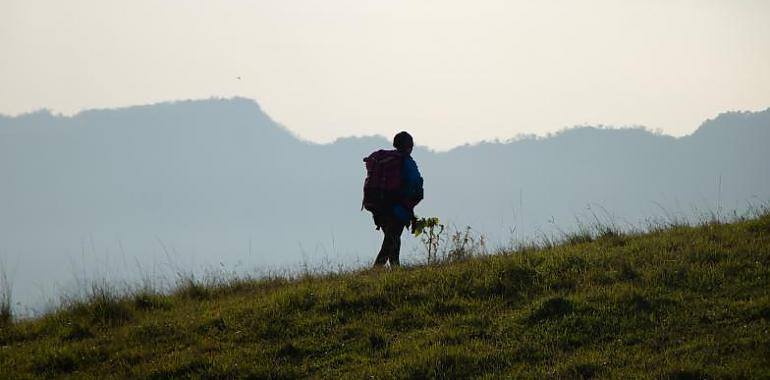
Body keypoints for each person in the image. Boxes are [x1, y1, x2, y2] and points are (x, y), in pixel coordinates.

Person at [373, 131, 423, 267]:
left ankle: (396, 269)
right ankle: (374, 273)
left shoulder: (386, 161)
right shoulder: (406, 162)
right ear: (410, 146)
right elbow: (417, 183)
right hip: (397, 209)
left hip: (379, 207)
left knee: (393, 239)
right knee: (390, 241)